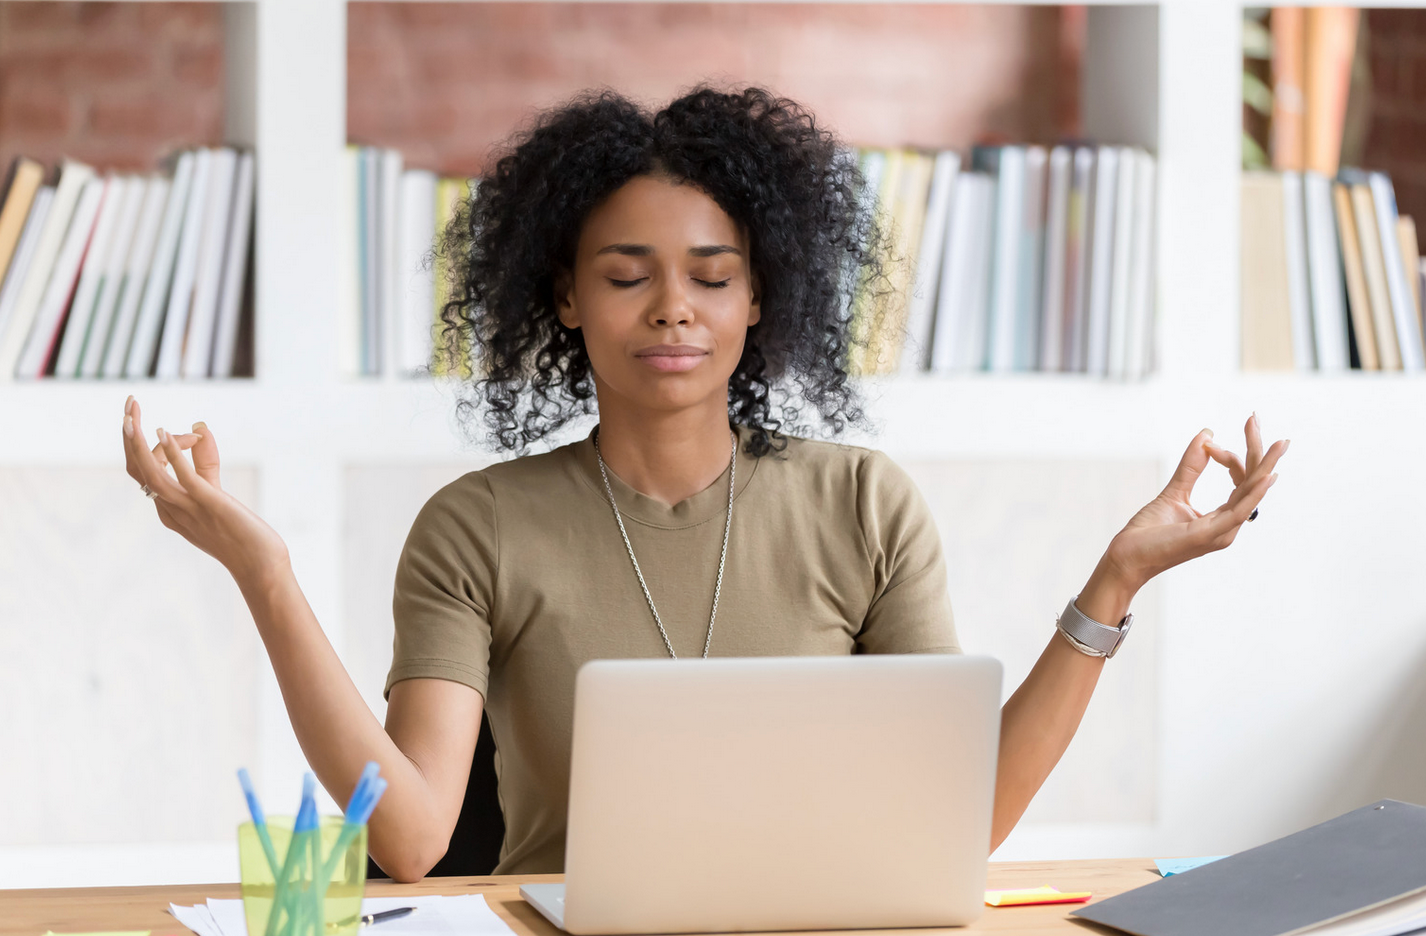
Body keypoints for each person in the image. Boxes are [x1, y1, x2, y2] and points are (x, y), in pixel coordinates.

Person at [120, 85, 1287, 883]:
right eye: (626, 276)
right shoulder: (476, 527)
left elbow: (958, 823)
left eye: (711, 276)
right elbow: (415, 842)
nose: (673, 307)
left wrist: (1116, 579)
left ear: (759, 297)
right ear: (565, 299)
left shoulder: (864, 507)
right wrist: (262, 572)